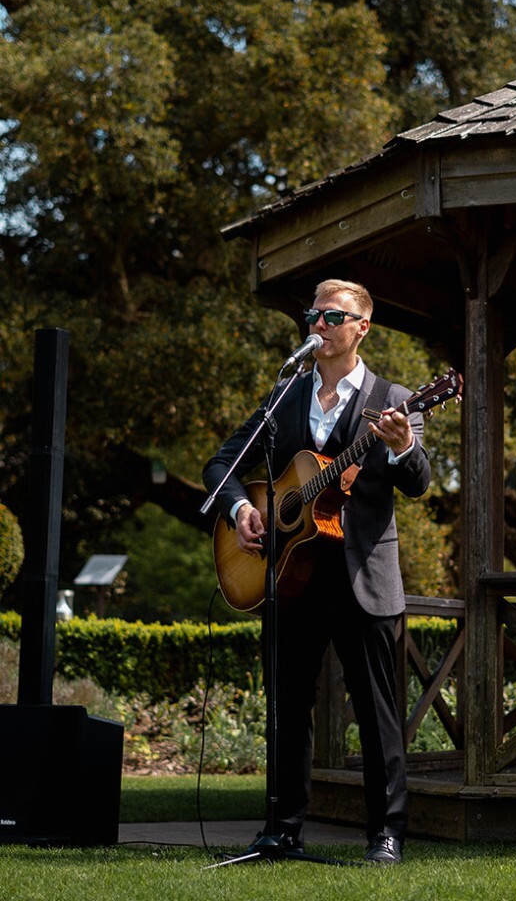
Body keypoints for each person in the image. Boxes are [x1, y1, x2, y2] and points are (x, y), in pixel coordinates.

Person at [202, 278, 431, 863]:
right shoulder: (286, 396)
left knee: (378, 714)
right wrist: (243, 508)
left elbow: (419, 483)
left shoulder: (397, 398)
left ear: (362, 328)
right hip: (287, 576)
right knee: (286, 708)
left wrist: (403, 445)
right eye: (314, 315)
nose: (319, 325)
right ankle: (282, 827)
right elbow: (221, 465)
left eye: (334, 316)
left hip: (364, 578)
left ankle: (386, 833)